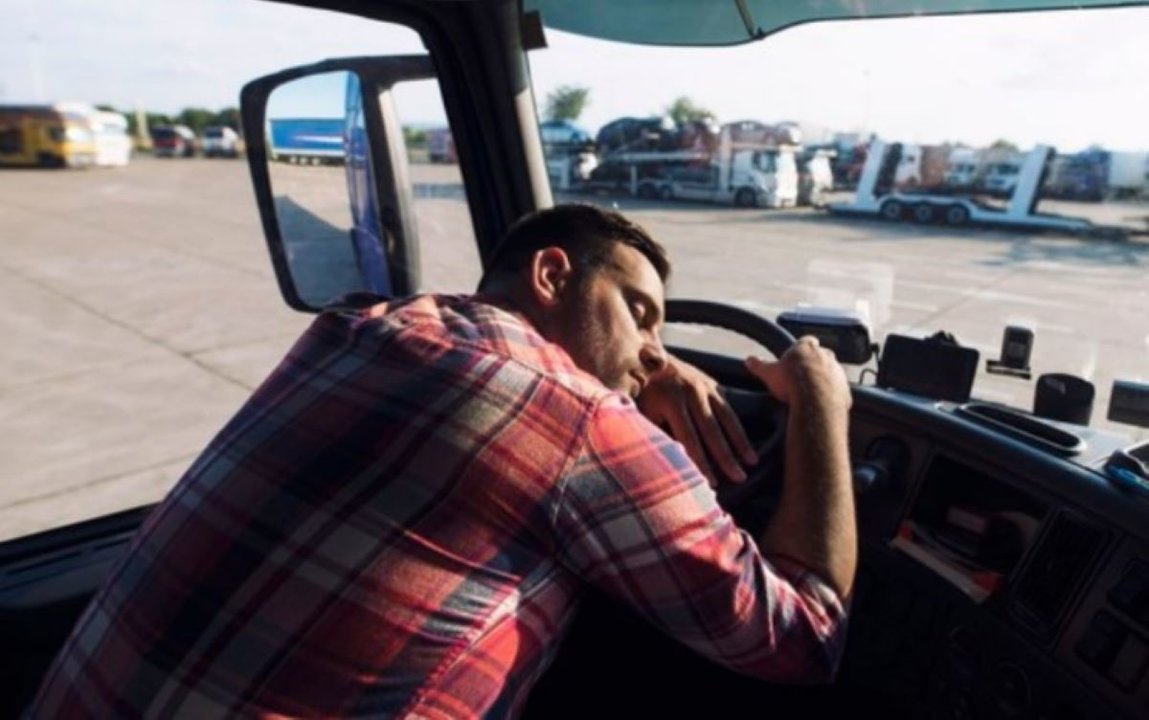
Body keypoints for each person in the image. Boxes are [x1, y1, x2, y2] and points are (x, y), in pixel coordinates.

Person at [28, 204, 855, 719]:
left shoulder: (355, 329)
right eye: (640, 314)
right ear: (551, 272)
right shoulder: (578, 419)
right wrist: (820, 399)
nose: (650, 353)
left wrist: (644, 356)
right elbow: (802, 637)